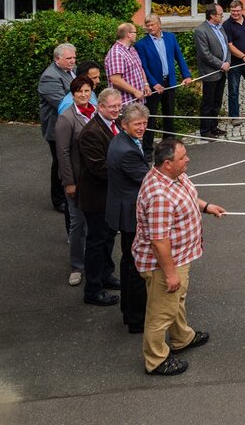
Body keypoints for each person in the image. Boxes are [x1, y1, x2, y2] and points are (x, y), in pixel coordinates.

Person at [134, 138, 225, 376]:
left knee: (176, 300)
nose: (188, 160)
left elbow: (187, 197)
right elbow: (158, 240)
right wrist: (170, 273)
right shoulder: (159, 195)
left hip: (180, 257)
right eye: (182, 157)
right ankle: (156, 360)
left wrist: (206, 206)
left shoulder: (174, 176)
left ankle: (181, 338)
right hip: (165, 264)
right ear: (167, 163)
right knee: (160, 313)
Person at [77, 87, 124, 307]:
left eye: (118, 106)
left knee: (108, 238)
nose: (116, 110)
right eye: (112, 107)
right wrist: (128, 173)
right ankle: (93, 289)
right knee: (96, 243)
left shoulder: (115, 123)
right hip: (96, 198)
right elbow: (98, 168)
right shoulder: (91, 132)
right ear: (100, 107)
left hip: (110, 196)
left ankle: (106, 275)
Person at [106, 103, 151, 333]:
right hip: (130, 214)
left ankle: (129, 311)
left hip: (123, 208)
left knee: (128, 262)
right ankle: (136, 318)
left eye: (144, 123)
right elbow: (148, 180)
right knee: (135, 266)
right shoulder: (127, 151)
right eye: (137, 124)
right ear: (124, 125)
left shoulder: (122, 141)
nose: (142, 127)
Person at [56, 74, 96, 287]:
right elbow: (62, 153)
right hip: (77, 180)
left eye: (87, 91)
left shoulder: (96, 112)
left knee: (95, 224)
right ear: (72, 94)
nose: (83, 94)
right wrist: (69, 182)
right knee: (78, 224)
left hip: (95, 180)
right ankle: (77, 267)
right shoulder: (67, 118)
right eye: (79, 91)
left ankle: (94, 263)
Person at [135, 14, 192, 153]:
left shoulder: (170, 37)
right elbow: (143, 67)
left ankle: (169, 146)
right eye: (147, 25)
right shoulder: (141, 44)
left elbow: (179, 57)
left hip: (169, 81)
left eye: (152, 24)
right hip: (154, 85)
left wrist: (186, 75)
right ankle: (147, 150)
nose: (150, 28)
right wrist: (153, 83)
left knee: (169, 114)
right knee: (151, 117)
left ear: (159, 24)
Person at [39, 42, 77, 218]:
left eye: (74, 57)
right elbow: (63, 104)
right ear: (57, 59)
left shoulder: (71, 70)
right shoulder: (49, 77)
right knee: (60, 162)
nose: (72, 61)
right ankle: (58, 199)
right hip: (57, 128)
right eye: (68, 58)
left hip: (71, 124)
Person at [193, 4, 231, 139]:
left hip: (223, 71)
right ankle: (205, 131)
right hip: (210, 72)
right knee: (208, 103)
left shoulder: (221, 27)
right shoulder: (201, 31)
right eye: (220, 14)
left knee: (217, 101)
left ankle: (214, 127)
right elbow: (204, 54)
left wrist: (227, 62)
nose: (222, 16)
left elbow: (226, 47)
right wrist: (221, 64)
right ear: (212, 15)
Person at [105, 23, 151, 106]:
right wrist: (135, 91)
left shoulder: (131, 49)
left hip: (137, 102)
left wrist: (145, 84)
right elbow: (115, 79)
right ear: (129, 34)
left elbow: (139, 68)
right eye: (135, 32)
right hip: (126, 103)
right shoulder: (116, 53)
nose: (136, 35)